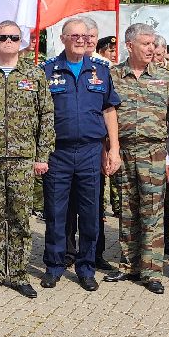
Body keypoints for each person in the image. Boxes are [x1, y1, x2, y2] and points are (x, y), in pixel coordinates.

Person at [0, 20, 54, 298]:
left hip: (23, 158)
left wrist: (42, 156)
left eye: (14, 38)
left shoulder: (35, 74)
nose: (8, 41)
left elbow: (47, 117)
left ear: (22, 42)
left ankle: (18, 273)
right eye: (2, 37)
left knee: (19, 217)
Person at [41, 16, 121, 292]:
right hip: (57, 153)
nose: (78, 40)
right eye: (72, 36)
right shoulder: (48, 71)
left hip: (90, 152)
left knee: (90, 213)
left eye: (83, 37)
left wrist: (114, 149)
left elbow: (109, 110)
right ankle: (54, 265)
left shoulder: (99, 71)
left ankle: (86, 268)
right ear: (62, 39)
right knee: (56, 212)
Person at [109, 23, 169, 294]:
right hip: (122, 150)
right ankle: (128, 266)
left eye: (153, 44)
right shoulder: (113, 76)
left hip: (154, 151)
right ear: (129, 45)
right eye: (145, 44)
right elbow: (104, 113)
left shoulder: (165, 76)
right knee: (127, 209)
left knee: (153, 210)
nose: (151, 49)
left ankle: (151, 271)